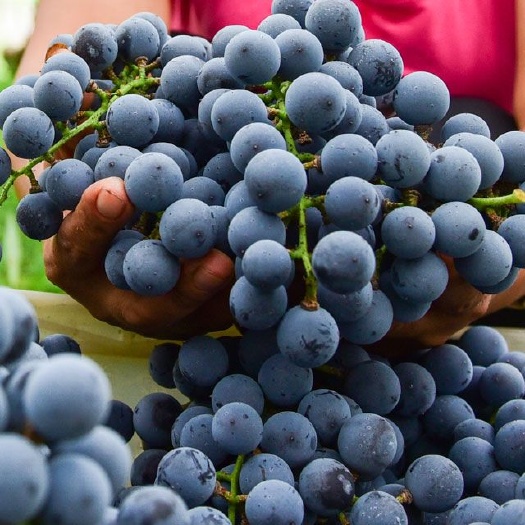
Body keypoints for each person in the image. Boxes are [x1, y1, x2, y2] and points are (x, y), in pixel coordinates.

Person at [10, 0, 525, 352]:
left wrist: (505, 269)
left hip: (460, 335)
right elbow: (44, 111)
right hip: (221, 332)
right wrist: (59, 173)